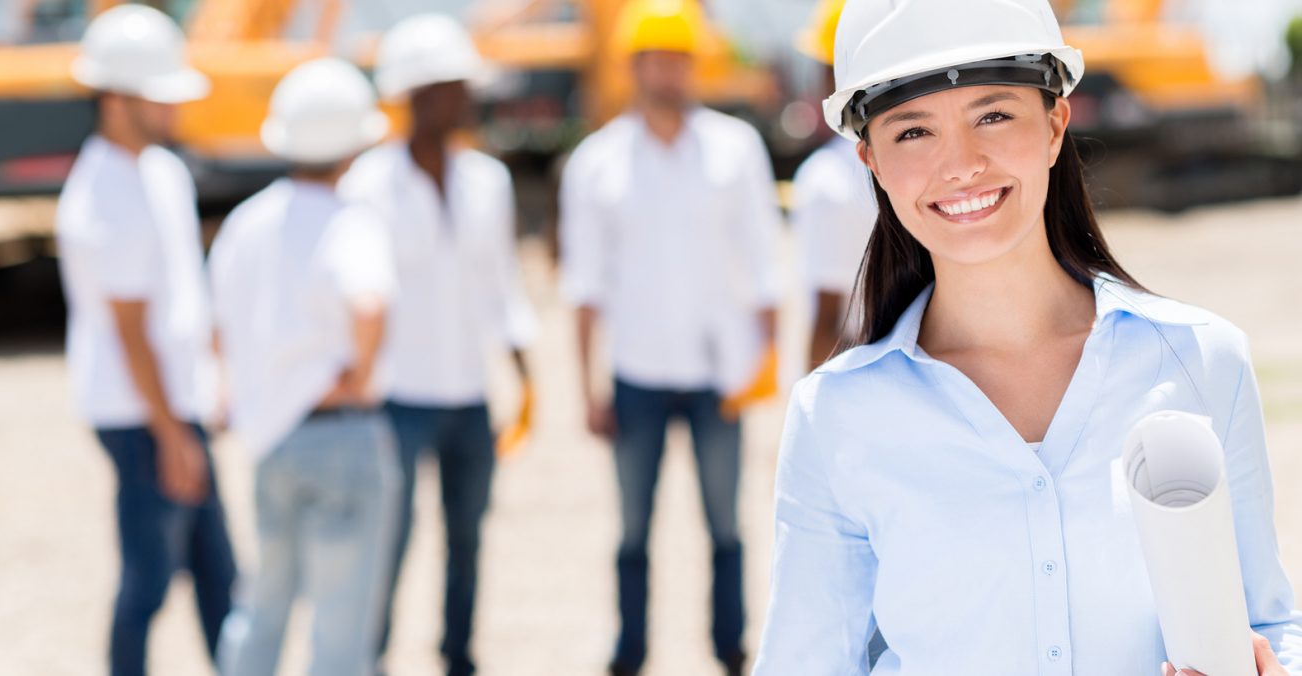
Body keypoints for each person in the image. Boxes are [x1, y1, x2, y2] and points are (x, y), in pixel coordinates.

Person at [754, 0, 1302, 674]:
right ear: (869, 159)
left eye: (992, 115)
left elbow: (1270, 621)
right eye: (913, 133)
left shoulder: (1198, 360)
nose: (960, 165)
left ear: (1054, 125)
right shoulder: (835, 416)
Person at [558, 1, 782, 673]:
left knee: (725, 526)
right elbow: (584, 290)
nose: (670, 72)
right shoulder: (595, 165)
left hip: (721, 372)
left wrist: (764, 364)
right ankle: (630, 651)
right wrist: (588, 388)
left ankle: (731, 646)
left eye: (681, 60)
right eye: (658, 60)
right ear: (634, 68)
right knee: (631, 530)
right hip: (636, 376)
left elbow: (765, 262)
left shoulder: (734, 149)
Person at [338, 14, 537, 676]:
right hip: (396, 399)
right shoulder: (365, 185)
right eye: (456, 86)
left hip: (467, 397)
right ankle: (369, 660)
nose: (468, 99)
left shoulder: (488, 181)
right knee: (386, 542)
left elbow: (500, 282)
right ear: (419, 94)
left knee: (467, 540)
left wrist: (523, 370)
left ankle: (458, 658)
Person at [55, 6, 235, 675]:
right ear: (116, 98)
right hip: (138, 414)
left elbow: (184, 299)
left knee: (219, 576)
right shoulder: (102, 195)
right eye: (156, 97)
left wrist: (204, 387)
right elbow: (130, 333)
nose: (170, 109)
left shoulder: (161, 172)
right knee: (150, 580)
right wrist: (171, 433)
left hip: (170, 405)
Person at [211, 57, 399, 676]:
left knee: (262, 606)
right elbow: (368, 302)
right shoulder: (351, 220)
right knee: (341, 631)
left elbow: (218, 327)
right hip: (340, 432)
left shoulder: (246, 221)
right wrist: (361, 374)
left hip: (272, 436)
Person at [791, 0, 877, 370]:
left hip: (862, 361)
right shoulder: (915, 151)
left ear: (832, 75)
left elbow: (829, 318)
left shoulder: (826, 178)